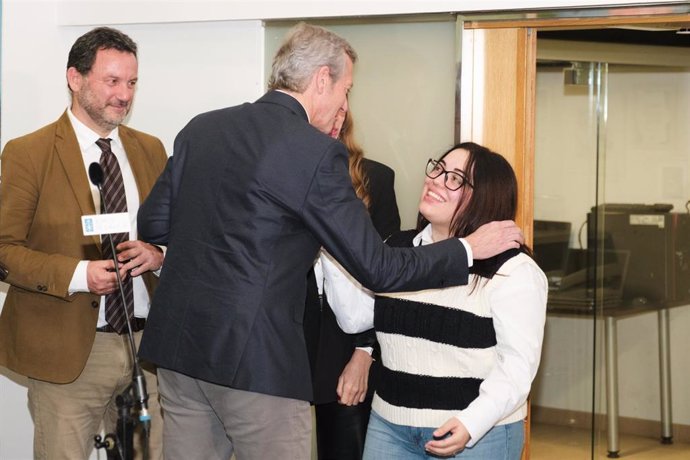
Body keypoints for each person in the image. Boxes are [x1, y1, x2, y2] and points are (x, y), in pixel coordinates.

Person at [136, 22, 523, 460]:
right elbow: (378, 268)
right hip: (255, 363)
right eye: (347, 89)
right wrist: (469, 249)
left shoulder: (202, 128)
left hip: (179, 351)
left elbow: (153, 224)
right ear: (323, 79)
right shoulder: (313, 151)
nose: (345, 102)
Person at [0, 27, 168, 459]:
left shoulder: (151, 150)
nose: (124, 95)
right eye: (112, 81)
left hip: (144, 350)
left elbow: (176, 234)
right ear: (75, 78)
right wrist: (80, 274)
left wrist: (158, 255)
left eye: (131, 83)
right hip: (70, 354)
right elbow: (3, 250)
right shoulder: (29, 152)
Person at [360, 142, 548, 459]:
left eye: (455, 179)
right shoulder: (396, 250)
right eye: (438, 168)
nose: (435, 179)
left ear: (485, 199)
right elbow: (356, 318)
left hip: (475, 435)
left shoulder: (513, 271)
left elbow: (517, 368)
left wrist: (471, 423)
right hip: (388, 426)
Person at [304, 108, 400, 459]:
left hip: (348, 344)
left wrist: (365, 352)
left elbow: (388, 279)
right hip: (286, 342)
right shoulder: (280, 175)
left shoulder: (374, 178)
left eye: (340, 109)